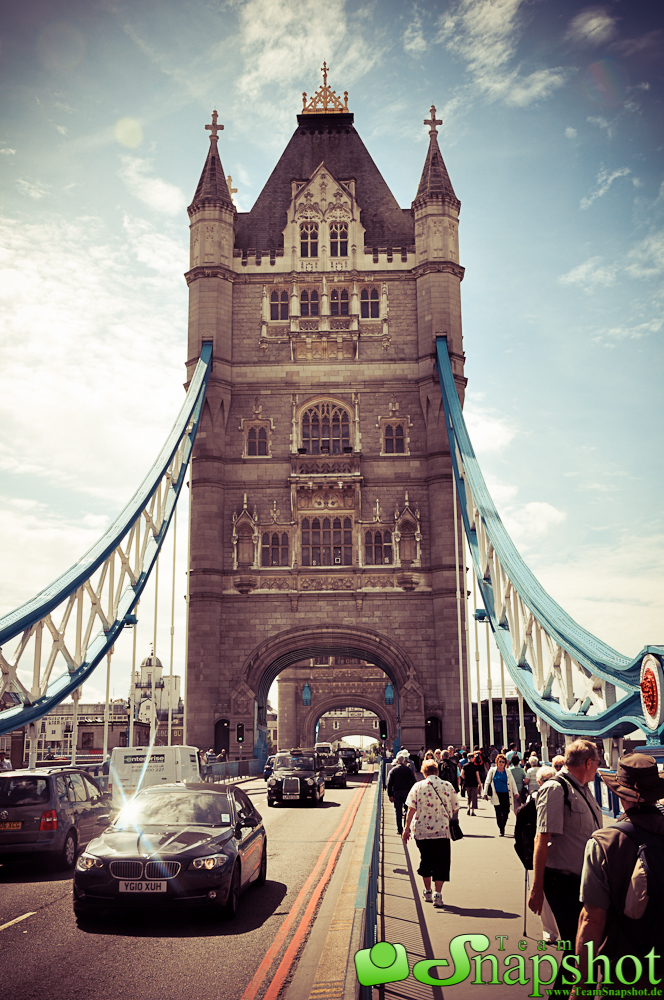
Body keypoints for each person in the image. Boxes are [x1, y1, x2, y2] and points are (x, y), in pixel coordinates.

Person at [573, 753, 664, 994]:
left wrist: (580, 985)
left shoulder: (604, 843)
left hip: (627, 968)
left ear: (621, 797)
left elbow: (592, 919)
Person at [528, 738, 602, 998]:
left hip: (584, 880)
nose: (598, 770)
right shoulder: (556, 789)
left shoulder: (583, 788)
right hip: (562, 880)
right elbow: (542, 838)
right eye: (597, 764)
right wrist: (537, 888)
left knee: (580, 945)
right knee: (577, 945)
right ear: (588, 763)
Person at [403, 759, 458, 909]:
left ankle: (427, 891)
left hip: (422, 831)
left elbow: (411, 809)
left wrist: (406, 828)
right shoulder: (447, 786)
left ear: (424, 772)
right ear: (437, 772)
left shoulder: (417, 786)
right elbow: (455, 807)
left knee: (425, 860)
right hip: (442, 831)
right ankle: (437, 895)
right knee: (442, 862)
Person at [483, 752, 518, 835]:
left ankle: (503, 825)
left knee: (506, 812)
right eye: (500, 761)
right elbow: (487, 782)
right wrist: (485, 793)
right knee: (498, 812)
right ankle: (501, 829)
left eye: (503, 762)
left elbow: (512, 783)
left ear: (505, 763)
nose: (501, 763)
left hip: (506, 794)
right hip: (496, 794)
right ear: (497, 762)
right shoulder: (492, 771)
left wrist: (516, 792)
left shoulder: (508, 772)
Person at [387, 750, 416, 835]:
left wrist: (390, 795)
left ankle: (399, 829)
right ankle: (407, 828)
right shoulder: (408, 770)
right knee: (407, 810)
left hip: (396, 793)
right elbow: (414, 781)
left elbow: (389, 784)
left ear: (397, 761)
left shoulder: (393, 770)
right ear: (403, 761)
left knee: (398, 811)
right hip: (407, 793)